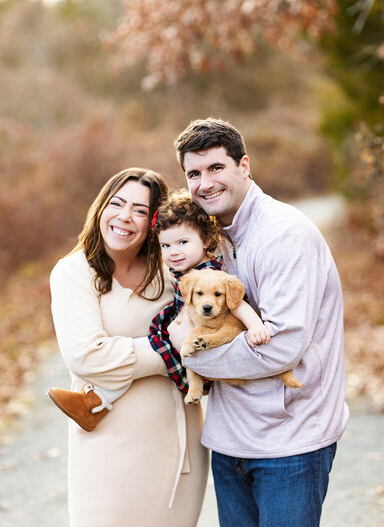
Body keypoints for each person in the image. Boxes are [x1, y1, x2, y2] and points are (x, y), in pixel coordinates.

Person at [168, 118, 349, 527]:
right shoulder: (214, 236)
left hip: (289, 444)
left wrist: (190, 353)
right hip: (231, 440)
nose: (205, 183)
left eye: (216, 168)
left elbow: (282, 346)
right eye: (194, 173)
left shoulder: (283, 234)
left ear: (244, 166)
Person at [49, 169, 209, 527]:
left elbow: (208, 327)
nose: (125, 217)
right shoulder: (74, 272)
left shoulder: (172, 270)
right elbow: (87, 355)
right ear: (101, 207)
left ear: (154, 221)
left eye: (139, 210)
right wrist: (171, 351)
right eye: (117, 203)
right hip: (106, 449)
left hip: (180, 450)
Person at [49, 189, 270, 428]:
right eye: (166, 245)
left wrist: (255, 325)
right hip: (185, 334)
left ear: (206, 240)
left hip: (202, 335)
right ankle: (95, 401)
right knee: (154, 341)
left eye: (182, 242)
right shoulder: (177, 268)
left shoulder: (209, 273)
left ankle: (94, 400)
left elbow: (237, 305)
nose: (174, 252)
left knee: (155, 341)